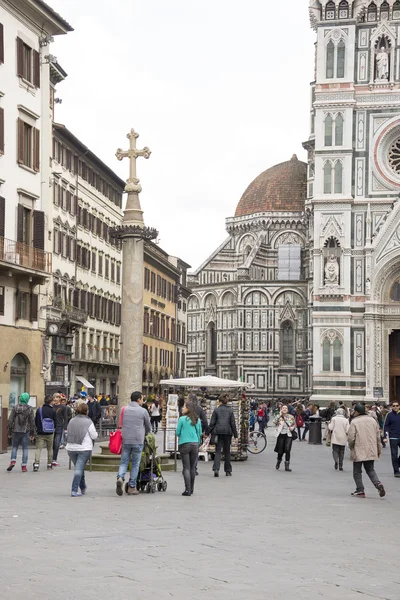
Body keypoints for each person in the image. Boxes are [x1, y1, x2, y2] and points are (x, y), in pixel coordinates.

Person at [116, 391, 151, 496]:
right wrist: (147, 432)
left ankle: (120, 477)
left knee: (124, 462)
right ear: (139, 399)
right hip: (138, 440)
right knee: (135, 464)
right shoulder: (143, 411)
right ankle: (132, 486)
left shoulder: (124, 409)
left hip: (126, 439)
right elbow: (148, 425)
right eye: (142, 398)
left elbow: (120, 423)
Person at [347, 403, 385, 498]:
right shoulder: (373, 421)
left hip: (358, 448)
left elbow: (351, 437)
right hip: (371, 448)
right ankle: (378, 484)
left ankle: (360, 490)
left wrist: (351, 447)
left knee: (357, 471)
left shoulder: (354, 422)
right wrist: (378, 449)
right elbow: (378, 436)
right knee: (370, 469)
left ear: (357, 412)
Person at [66, 402, 98, 497]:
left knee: (79, 467)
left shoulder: (72, 420)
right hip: (84, 448)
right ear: (86, 412)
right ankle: (74, 490)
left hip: (71, 448)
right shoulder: (88, 422)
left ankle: (83, 487)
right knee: (79, 469)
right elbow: (94, 435)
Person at [176, 401, 202, 496]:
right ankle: (192, 489)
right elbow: (199, 433)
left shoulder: (182, 419)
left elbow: (177, 432)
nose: (182, 409)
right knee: (192, 467)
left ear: (188, 409)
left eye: (184, 407)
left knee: (186, 467)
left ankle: (187, 489)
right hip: (195, 444)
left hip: (184, 444)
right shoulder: (197, 420)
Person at [209, 393, 238, 477]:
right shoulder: (230, 411)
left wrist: (207, 432)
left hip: (218, 432)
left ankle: (216, 469)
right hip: (228, 433)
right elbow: (233, 424)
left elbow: (212, 423)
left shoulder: (216, 410)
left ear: (220, 402)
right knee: (227, 451)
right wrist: (236, 435)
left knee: (218, 451)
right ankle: (228, 471)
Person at [7, 393, 35, 472]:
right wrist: (33, 433)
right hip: (25, 431)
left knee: (14, 447)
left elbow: (10, 420)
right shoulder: (30, 409)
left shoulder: (15, 407)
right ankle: (24, 466)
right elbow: (32, 421)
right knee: (25, 448)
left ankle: (13, 460)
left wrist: (9, 432)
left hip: (16, 431)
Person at [33, 396, 56, 471]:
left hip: (40, 432)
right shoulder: (53, 410)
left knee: (38, 449)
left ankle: (36, 464)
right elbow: (55, 421)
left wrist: (38, 428)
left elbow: (36, 421)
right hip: (50, 432)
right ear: (51, 402)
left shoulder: (39, 410)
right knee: (50, 449)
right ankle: (49, 464)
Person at [273, 404, 296, 472]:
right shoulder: (279, 416)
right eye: (283, 408)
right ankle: (278, 461)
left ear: (288, 410)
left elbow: (294, 424)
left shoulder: (291, 416)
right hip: (281, 434)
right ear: (281, 409)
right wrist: (279, 416)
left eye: (286, 408)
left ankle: (287, 465)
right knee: (280, 451)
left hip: (289, 435)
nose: (284, 409)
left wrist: (293, 427)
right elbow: (274, 423)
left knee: (288, 450)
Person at [383, 401, 400, 478]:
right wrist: (385, 437)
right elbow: (385, 426)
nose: (395, 407)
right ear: (392, 407)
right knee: (394, 454)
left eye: (397, 405)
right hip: (393, 437)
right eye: (394, 406)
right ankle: (396, 471)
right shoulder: (389, 415)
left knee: (396, 457)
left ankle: (397, 463)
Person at [52, 393, 69, 467]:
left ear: (59, 399)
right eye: (54, 397)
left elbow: (65, 418)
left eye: (57, 397)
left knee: (56, 443)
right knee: (52, 444)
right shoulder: (51, 407)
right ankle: (51, 458)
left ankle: (54, 459)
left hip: (59, 426)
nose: (56, 399)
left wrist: (65, 428)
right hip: (51, 427)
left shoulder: (63, 407)